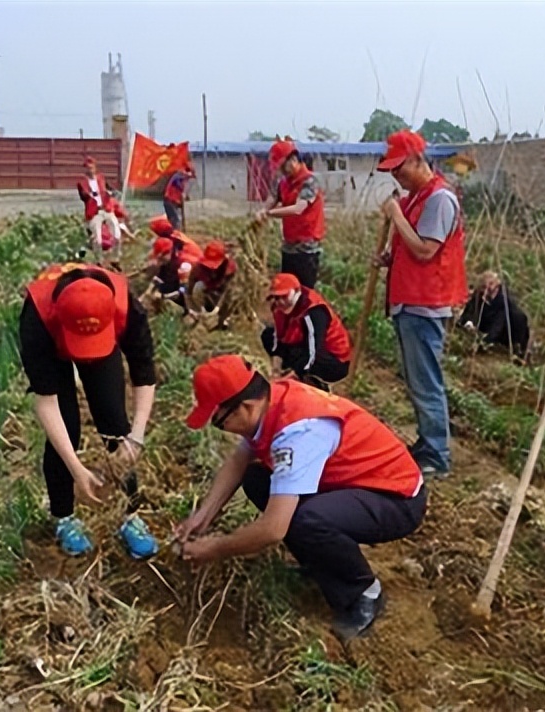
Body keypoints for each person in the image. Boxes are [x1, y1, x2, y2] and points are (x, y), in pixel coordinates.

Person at [175, 355, 427, 641]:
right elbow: (239, 460)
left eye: (220, 422)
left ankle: (363, 593)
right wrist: (202, 517)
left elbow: (273, 530)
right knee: (257, 479)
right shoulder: (270, 402)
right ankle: (319, 563)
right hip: (350, 483)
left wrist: (215, 548)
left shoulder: (298, 432)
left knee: (309, 520)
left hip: (396, 497)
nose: (222, 428)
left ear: (245, 406)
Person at [18, 262, 160, 559]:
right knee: (66, 430)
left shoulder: (127, 308)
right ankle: (64, 517)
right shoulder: (38, 317)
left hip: (104, 338)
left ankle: (129, 514)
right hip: (55, 341)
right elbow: (47, 402)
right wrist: (76, 469)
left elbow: (144, 374)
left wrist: (136, 437)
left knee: (115, 423)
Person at [375, 129, 468, 478]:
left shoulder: (439, 199)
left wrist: (396, 215)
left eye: (399, 168)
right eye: (391, 170)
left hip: (425, 304)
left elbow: (427, 250)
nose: (395, 175)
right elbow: (413, 246)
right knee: (417, 381)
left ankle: (437, 455)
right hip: (408, 301)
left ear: (417, 159)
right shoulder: (417, 197)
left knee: (427, 383)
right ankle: (427, 443)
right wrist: (390, 259)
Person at [261, 272, 352, 391]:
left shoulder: (314, 311)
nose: (280, 302)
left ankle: (309, 380)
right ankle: (292, 370)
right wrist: (276, 363)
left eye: (284, 296)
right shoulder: (278, 307)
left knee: (302, 356)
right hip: (304, 345)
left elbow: (314, 351)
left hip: (333, 360)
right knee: (267, 335)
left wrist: (291, 377)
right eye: (277, 297)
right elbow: (279, 334)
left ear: (296, 292)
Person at [255, 139, 326, 289]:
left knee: (305, 291)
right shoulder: (283, 182)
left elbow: (298, 209)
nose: (282, 171)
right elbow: (273, 197)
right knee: (286, 288)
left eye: (283, 167)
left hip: (307, 248)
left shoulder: (310, 182)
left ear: (293, 160)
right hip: (289, 246)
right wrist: (263, 210)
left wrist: (269, 213)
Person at [458, 270, 531, 362]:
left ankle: (518, 350)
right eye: (484, 286)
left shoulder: (505, 299)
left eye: (491, 284)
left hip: (508, 331)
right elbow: (470, 310)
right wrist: (468, 322)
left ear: (497, 284)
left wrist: (486, 341)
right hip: (487, 325)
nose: (487, 288)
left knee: (518, 317)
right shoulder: (480, 295)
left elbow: (499, 323)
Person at [146, 216, 203, 309]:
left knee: (170, 290)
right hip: (185, 266)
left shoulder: (183, 262)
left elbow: (184, 290)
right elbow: (161, 273)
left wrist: (163, 296)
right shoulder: (171, 244)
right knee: (165, 283)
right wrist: (149, 290)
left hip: (194, 276)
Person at [76, 157, 123, 263]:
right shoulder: (82, 183)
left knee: (117, 235)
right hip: (94, 212)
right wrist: (92, 194)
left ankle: (115, 259)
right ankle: (99, 261)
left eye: (91, 167)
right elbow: (83, 196)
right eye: (88, 168)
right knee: (97, 240)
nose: (90, 169)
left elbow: (110, 189)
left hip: (106, 209)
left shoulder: (101, 178)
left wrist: (112, 193)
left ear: (95, 167)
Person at [187, 240, 237, 329]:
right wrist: (193, 309)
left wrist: (217, 310)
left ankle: (224, 318)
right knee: (198, 286)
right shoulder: (199, 267)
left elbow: (228, 291)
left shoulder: (230, 269)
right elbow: (190, 289)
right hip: (206, 294)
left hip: (221, 295)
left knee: (233, 293)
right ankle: (201, 313)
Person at [163, 165, 196, 230]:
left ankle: (175, 232)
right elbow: (178, 184)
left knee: (175, 220)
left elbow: (181, 193)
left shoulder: (183, 179)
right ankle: (175, 233)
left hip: (173, 202)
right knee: (175, 220)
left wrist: (184, 197)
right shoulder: (178, 177)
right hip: (169, 201)